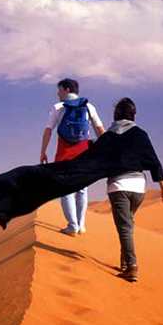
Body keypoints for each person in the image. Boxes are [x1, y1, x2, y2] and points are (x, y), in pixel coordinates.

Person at [107, 97, 163, 282]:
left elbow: (96, 158)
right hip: (138, 188)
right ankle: (125, 262)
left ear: (116, 114)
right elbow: (153, 160)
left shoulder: (110, 135)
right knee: (127, 225)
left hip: (119, 186)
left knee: (124, 228)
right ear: (133, 115)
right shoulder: (140, 134)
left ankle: (132, 267)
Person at [40, 78, 105, 236]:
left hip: (64, 153)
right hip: (84, 153)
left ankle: (72, 225)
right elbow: (99, 129)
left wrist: (43, 151)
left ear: (67, 90)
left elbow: (48, 130)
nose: (58, 93)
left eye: (60, 89)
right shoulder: (89, 106)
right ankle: (81, 225)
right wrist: (105, 149)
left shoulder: (58, 107)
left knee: (65, 189)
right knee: (82, 189)